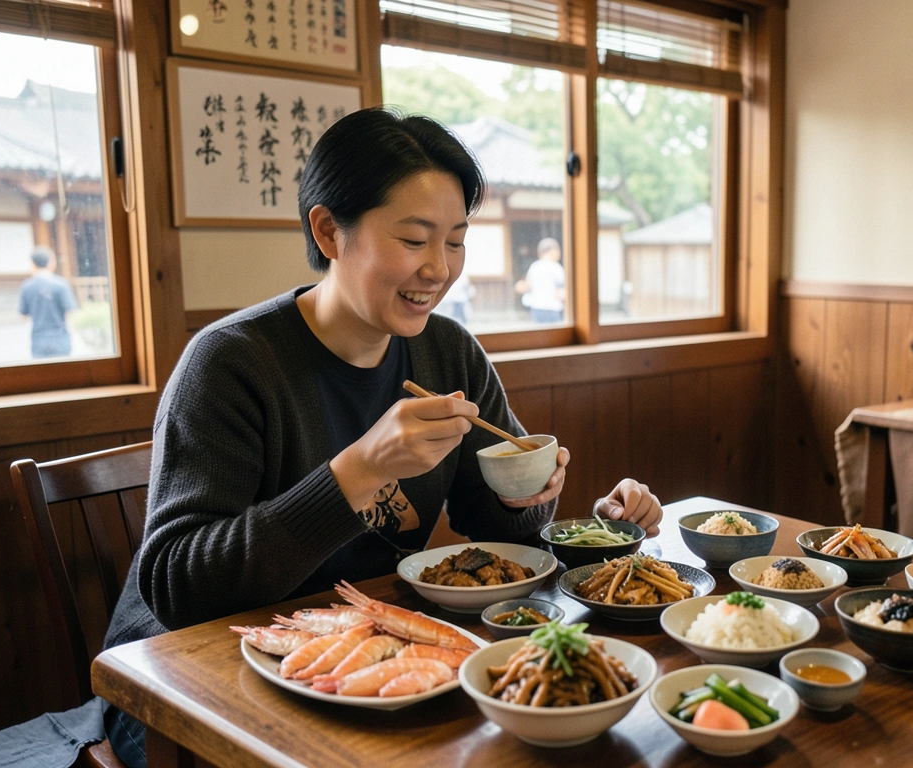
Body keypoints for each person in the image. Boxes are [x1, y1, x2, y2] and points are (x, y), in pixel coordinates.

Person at [93, 108, 663, 768]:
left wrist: (534, 497)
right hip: (186, 684)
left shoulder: (447, 352)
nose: (439, 269)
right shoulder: (231, 364)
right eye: (415, 240)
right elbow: (177, 587)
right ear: (330, 230)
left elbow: (498, 531)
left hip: (372, 654)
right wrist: (355, 474)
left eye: (455, 241)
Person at [17, 246, 77, 358]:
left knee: (41, 373)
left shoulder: (27, 286)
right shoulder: (61, 284)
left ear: (32, 264)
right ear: (51, 262)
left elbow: (22, 314)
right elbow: (71, 310)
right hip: (60, 337)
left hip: (38, 338)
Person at [514, 237, 565, 323]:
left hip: (537, 308)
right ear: (553, 251)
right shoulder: (556, 268)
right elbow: (562, 289)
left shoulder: (534, 267)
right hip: (553, 308)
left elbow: (528, 285)